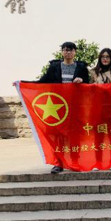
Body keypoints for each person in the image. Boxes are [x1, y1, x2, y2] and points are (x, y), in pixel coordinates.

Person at [34, 42, 89, 173]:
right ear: (62, 52)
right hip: (57, 107)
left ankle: (75, 161)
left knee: (74, 134)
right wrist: (22, 84)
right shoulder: (54, 66)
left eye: (70, 50)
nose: (68, 52)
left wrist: (81, 80)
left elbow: (88, 83)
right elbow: (43, 81)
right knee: (58, 135)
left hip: (74, 106)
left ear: (75, 52)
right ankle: (58, 163)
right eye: (65, 50)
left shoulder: (81, 67)